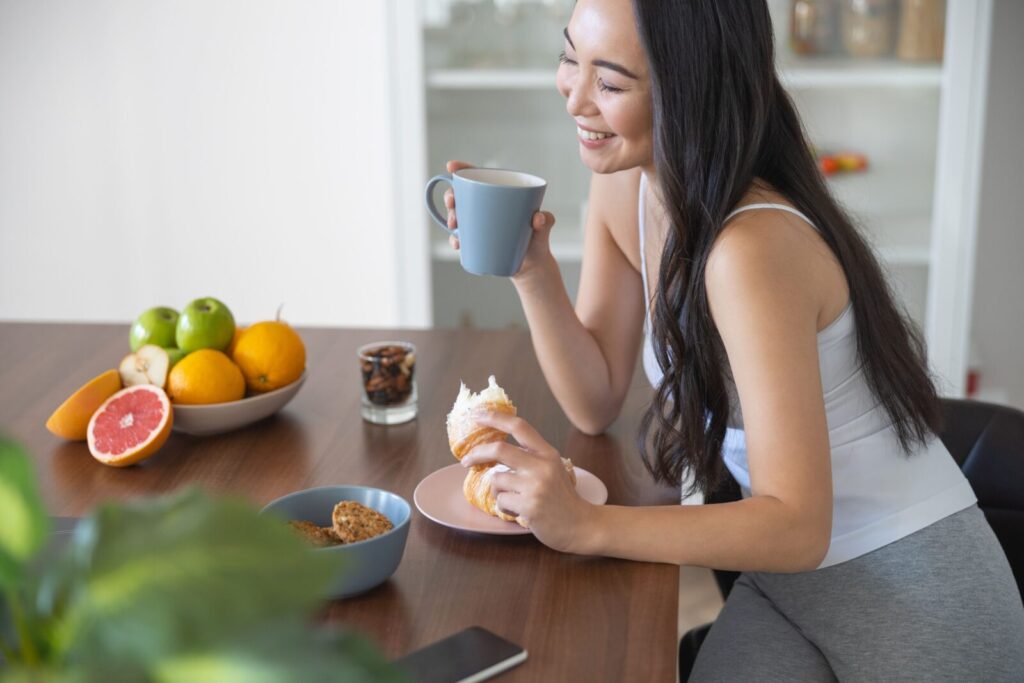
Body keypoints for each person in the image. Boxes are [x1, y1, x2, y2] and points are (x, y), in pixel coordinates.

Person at [445, 0, 1024, 680]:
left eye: (610, 82)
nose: (573, 95)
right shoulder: (624, 190)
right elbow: (595, 396)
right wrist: (530, 268)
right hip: (791, 581)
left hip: (918, 600)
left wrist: (588, 525)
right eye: (570, 56)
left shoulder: (749, 248)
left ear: (689, 90)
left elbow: (798, 522)